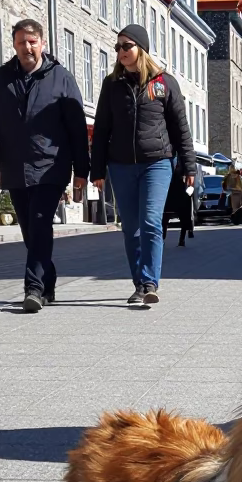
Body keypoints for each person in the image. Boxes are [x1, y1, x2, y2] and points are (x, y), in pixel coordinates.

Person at [0, 19, 89, 313]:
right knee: (30, 232)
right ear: (14, 45)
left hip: (51, 166)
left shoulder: (61, 78)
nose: (27, 47)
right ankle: (48, 282)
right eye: (22, 42)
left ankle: (33, 288)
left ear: (43, 44)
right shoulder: (0, 79)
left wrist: (82, 172)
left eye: (32, 41)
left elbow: (77, 128)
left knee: (39, 223)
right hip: (14, 167)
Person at [91, 23, 195, 306]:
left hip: (156, 164)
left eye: (127, 46)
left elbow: (180, 129)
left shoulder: (164, 83)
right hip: (121, 165)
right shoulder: (112, 85)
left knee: (150, 222)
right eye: (118, 47)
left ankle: (150, 282)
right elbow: (102, 129)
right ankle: (139, 283)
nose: (121, 52)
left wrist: (189, 167)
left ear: (141, 48)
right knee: (131, 228)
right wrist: (97, 169)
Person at [163, 156, 195, 247]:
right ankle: (162, 238)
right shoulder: (168, 158)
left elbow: (189, 171)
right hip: (169, 189)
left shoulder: (183, 159)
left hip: (181, 189)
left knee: (185, 215)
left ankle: (183, 238)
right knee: (164, 216)